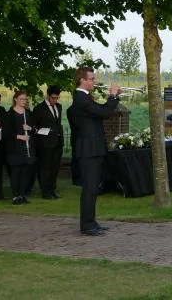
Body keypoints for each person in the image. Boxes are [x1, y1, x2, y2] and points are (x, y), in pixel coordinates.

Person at [67, 67, 120, 236]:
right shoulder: (81, 99)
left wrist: (112, 98)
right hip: (88, 150)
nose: (94, 82)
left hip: (93, 148)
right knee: (89, 188)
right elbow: (105, 112)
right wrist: (113, 96)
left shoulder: (85, 98)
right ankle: (86, 225)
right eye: (91, 79)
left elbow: (101, 111)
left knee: (93, 187)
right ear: (82, 80)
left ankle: (91, 221)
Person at [3, 91, 36, 205]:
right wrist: (19, 136)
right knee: (16, 172)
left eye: (25, 99)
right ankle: (15, 196)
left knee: (25, 172)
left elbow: (34, 129)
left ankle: (22, 195)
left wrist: (30, 128)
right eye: (22, 99)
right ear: (16, 99)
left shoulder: (28, 113)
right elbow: (6, 133)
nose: (24, 101)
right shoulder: (9, 114)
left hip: (27, 147)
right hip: (15, 147)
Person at [32, 85, 64, 199]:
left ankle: (52, 190)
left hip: (57, 142)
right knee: (45, 167)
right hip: (44, 144)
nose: (55, 100)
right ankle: (45, 191)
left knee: (55, 167)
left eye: (57, 98)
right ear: (48, 96)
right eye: (53, 98)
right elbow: (34, 126)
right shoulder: (39, 109)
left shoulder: (59, 107)